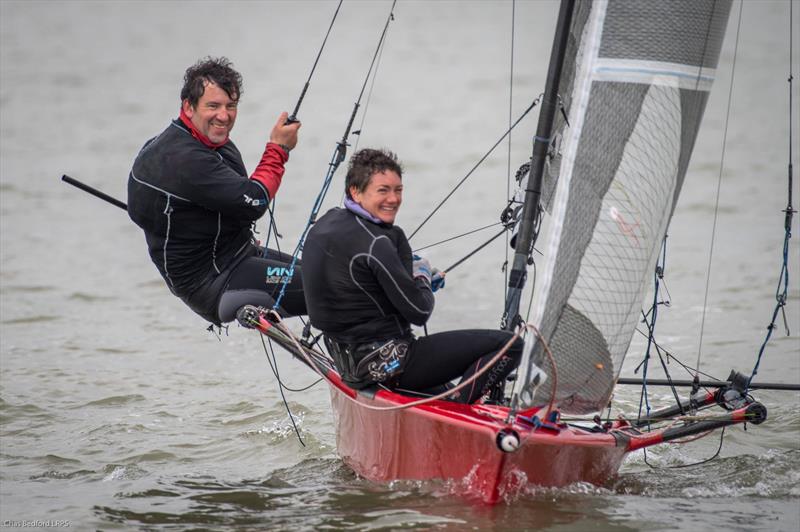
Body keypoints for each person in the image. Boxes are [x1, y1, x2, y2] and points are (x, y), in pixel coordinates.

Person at [301, 148, 523, 404]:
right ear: (355, 191)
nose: (393, 199)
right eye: (383, 190)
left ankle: (452, 402)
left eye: (398, 190)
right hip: (394, 364)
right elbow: (419, 312)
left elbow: (355, 283)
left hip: (353, 368)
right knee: (511, 345)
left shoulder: (327, 223)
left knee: (449, 385)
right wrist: (422, 277)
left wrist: (407, 271)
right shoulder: (377, 242)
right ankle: (458, 412)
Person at [127, 57, 306, 326]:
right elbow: (254, 200)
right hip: (216, 280)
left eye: (231, 106)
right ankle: (367, 362)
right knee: (329, 288)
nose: (224, 116)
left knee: (334, 277)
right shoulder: (185, 160)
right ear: (188, 107)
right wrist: (278, 149)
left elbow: (231, 201)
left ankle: (353, 354)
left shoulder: (204, 141)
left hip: (236, 255)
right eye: (213, 106)